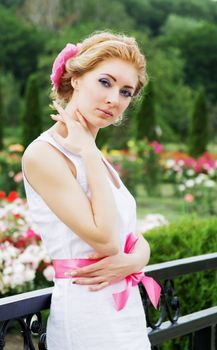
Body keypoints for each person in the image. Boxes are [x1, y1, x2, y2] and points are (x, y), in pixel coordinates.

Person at [22, 31, 160, 350]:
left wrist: (139, 257)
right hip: (87, 317)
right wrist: (85, 148)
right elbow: (106, 239)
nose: (114, 98)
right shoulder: (45, 154)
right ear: (77, 78)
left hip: (124, 313)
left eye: (126, 91)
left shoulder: (94, 156)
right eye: (105, 82)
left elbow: (129, 234)